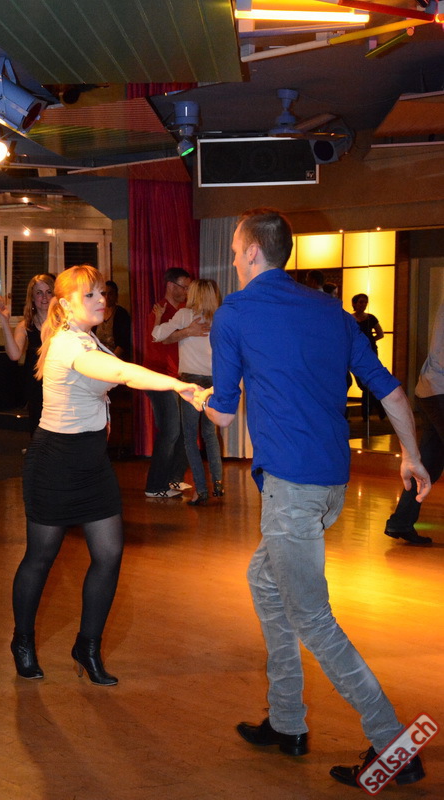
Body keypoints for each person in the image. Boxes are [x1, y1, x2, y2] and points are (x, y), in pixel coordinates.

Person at [193, 208, 431, 787]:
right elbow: (392, 392)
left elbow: (222, 413)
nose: (233, 259)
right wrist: (412, 455)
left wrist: (191, 395)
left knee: (314, 620)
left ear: (253, 253)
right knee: (263, 581)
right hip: (330, 484)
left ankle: (394, 746)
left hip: (292, 492)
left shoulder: (235, 314)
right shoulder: (330, 311)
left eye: (235, 251)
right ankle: (287, 721)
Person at [11, 264, 198, 684]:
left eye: (101, 293)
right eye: (90, 295)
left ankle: (88, 646)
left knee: (110, 555)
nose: (101, 301)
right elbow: (122, 373)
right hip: (55, 462)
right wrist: (177, 385)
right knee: (40, 558)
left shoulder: (88, 337)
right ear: (65, 305)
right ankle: (22, 641)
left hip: (92, 462)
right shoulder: (66, 344)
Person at [152, 279, 224, 506]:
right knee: (210, 434)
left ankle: (201, 490)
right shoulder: (220, 317)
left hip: (191, 382)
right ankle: (218, 484)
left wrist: (158, 317)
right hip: (214, 381)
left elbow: (157, 335)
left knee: (191, 438)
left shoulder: (185, 315)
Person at [143, 267, 209, 499]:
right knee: (171, 430)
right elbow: (155, 341)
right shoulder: (159, 310)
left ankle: (173, 478)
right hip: (158, 377)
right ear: (171, 286)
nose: (188, 291)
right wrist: (187, 331)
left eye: (190, 288)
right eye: (185, 287)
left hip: (177, 378)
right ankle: (155, 485)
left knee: (184, 430)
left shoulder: (183, 311)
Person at [385, 301, 443, 546]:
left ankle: (401, 522)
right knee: (428, 460)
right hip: (440, 390)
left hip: (431, 389)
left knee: (428, 461)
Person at [0, 274, 55, 436]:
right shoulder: (25, 325)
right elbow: (14, 355)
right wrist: (4, 321)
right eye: (39, 293)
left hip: (60, 384)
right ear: (32, 297)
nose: (44, 297)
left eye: (49, 292)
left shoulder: (64, 323)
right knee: (38, 429)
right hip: (36, 386)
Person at [352, 292, 386, 421]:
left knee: (369, 382)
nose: (363, 305)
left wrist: (370, 341)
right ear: (354, 303)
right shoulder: (350, 318)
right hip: (355, 353)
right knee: (363, 384)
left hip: (370, 352)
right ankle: (379, 408)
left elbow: (380, 333)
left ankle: (366, 414)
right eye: (361, 302)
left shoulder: (371, 318)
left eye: (365, 302)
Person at [93, 280, 131, 359]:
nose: (107, 297)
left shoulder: (121, 314)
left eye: (110, 294)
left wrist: (111, 360)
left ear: (116, 296)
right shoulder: (97, 312)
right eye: (104, 294)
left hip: (116, 358)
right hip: (98, 357)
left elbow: (123, 343)